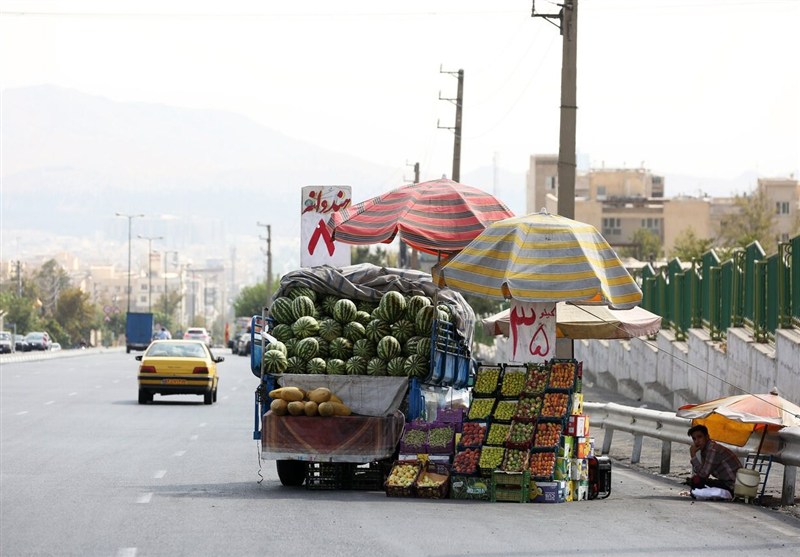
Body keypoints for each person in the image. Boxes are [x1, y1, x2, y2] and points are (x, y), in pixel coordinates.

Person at [687, 424, 742, 494]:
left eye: (699, 437)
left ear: (707, 437)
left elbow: (703, 475)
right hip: (726, 482)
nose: (697, 441)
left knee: (698, 483)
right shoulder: (705, 450)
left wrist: (693, 456)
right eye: (694, 439)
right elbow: (702, 472)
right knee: (694, 481)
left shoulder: (712, 449)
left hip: (732, 486)